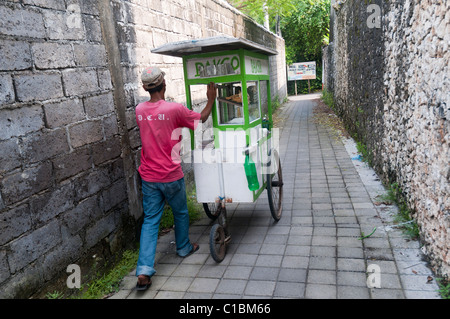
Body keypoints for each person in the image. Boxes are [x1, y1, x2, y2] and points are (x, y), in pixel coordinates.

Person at [134, 66, 216, 291]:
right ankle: (183, 248)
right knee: (180, 212)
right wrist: (211, 99)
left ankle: (143, 271)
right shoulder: (174, 110)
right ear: (164, 84)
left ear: (144, 88)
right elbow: (202, 118)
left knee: (151, 221)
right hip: (171, 175)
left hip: (149, 177)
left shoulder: (139, 110)